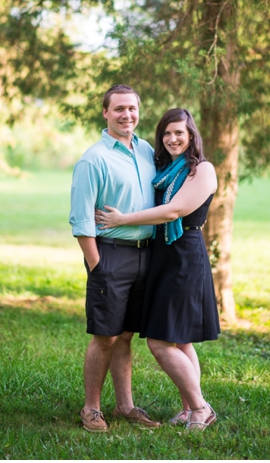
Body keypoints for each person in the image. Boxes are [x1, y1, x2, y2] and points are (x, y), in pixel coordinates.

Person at [95, 107, 220, 431]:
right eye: (167, 133)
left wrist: (123, 219)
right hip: (161, 255)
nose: (173, 138)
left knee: (160, 342)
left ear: (192, 135)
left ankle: (200, 407)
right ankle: (187, 409)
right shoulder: (165, 169)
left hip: (184, 257)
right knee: (183, 341)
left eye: (179, 132)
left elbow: (174, 210)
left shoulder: (202, 170)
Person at [69, 84, 161, 432]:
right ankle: (91, 408)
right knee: (105, 336)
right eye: (119, 109)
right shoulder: (93, 159)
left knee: (125, 335)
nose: (127, 115)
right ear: (106, 113)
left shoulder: (147, 151)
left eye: (132, 109)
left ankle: (126, 406)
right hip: (109, 255)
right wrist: (98, 267)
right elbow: (81, 222)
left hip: (144, 257)